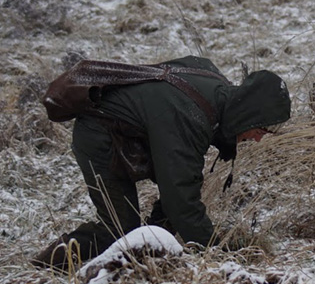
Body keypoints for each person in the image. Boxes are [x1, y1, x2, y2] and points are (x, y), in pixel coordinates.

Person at [31, 55, 291, 272]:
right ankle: (45, 265)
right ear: (248, 115)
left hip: (131, 135)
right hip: (99, 138)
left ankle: (146, 256)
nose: (258, 138)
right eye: (261, 129)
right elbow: (182, 201)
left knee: (170, 204)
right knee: (120, 226)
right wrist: (217, 257)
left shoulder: (216, 91)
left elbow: (181, 185)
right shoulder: (190, 115)